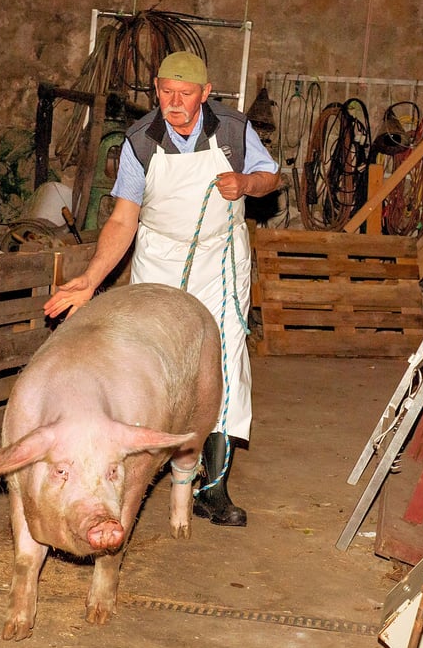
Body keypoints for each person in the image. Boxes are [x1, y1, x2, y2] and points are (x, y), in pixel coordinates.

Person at [43, 51, 281, 527]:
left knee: (224, 363)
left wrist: (247, 183)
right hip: (160, 259)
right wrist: (91, 279)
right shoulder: (141, 141)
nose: (174, 102)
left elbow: (271, 176)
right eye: (166, 92)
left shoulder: (233, 130)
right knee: (150, 365)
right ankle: (137, 473)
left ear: (205, 93)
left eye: (185, 94)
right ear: (156, 88)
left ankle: (213, 489)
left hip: (221, 259)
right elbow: (123, 217)